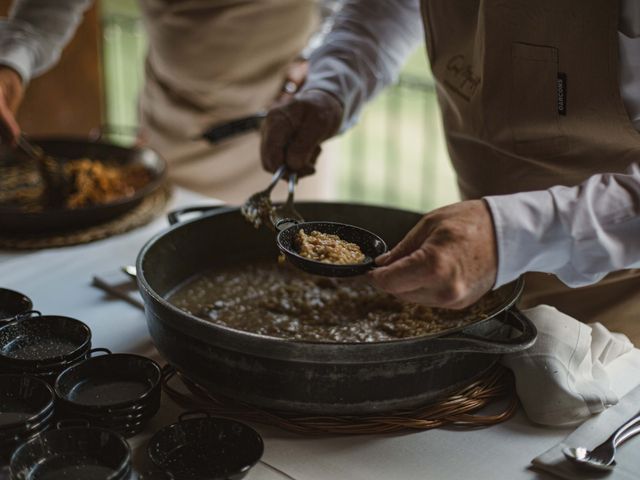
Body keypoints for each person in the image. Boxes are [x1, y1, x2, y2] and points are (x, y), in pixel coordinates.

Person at [261, 0, 640, 342]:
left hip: (619, 320)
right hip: (488, 294)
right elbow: (390, 5)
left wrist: (513, 234)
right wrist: (332, 87)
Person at [0, 0, 335, 203]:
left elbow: (350, 14)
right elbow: (39, 17)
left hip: (281, 129)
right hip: (171, 130)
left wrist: (316, 57)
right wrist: (9, 69)